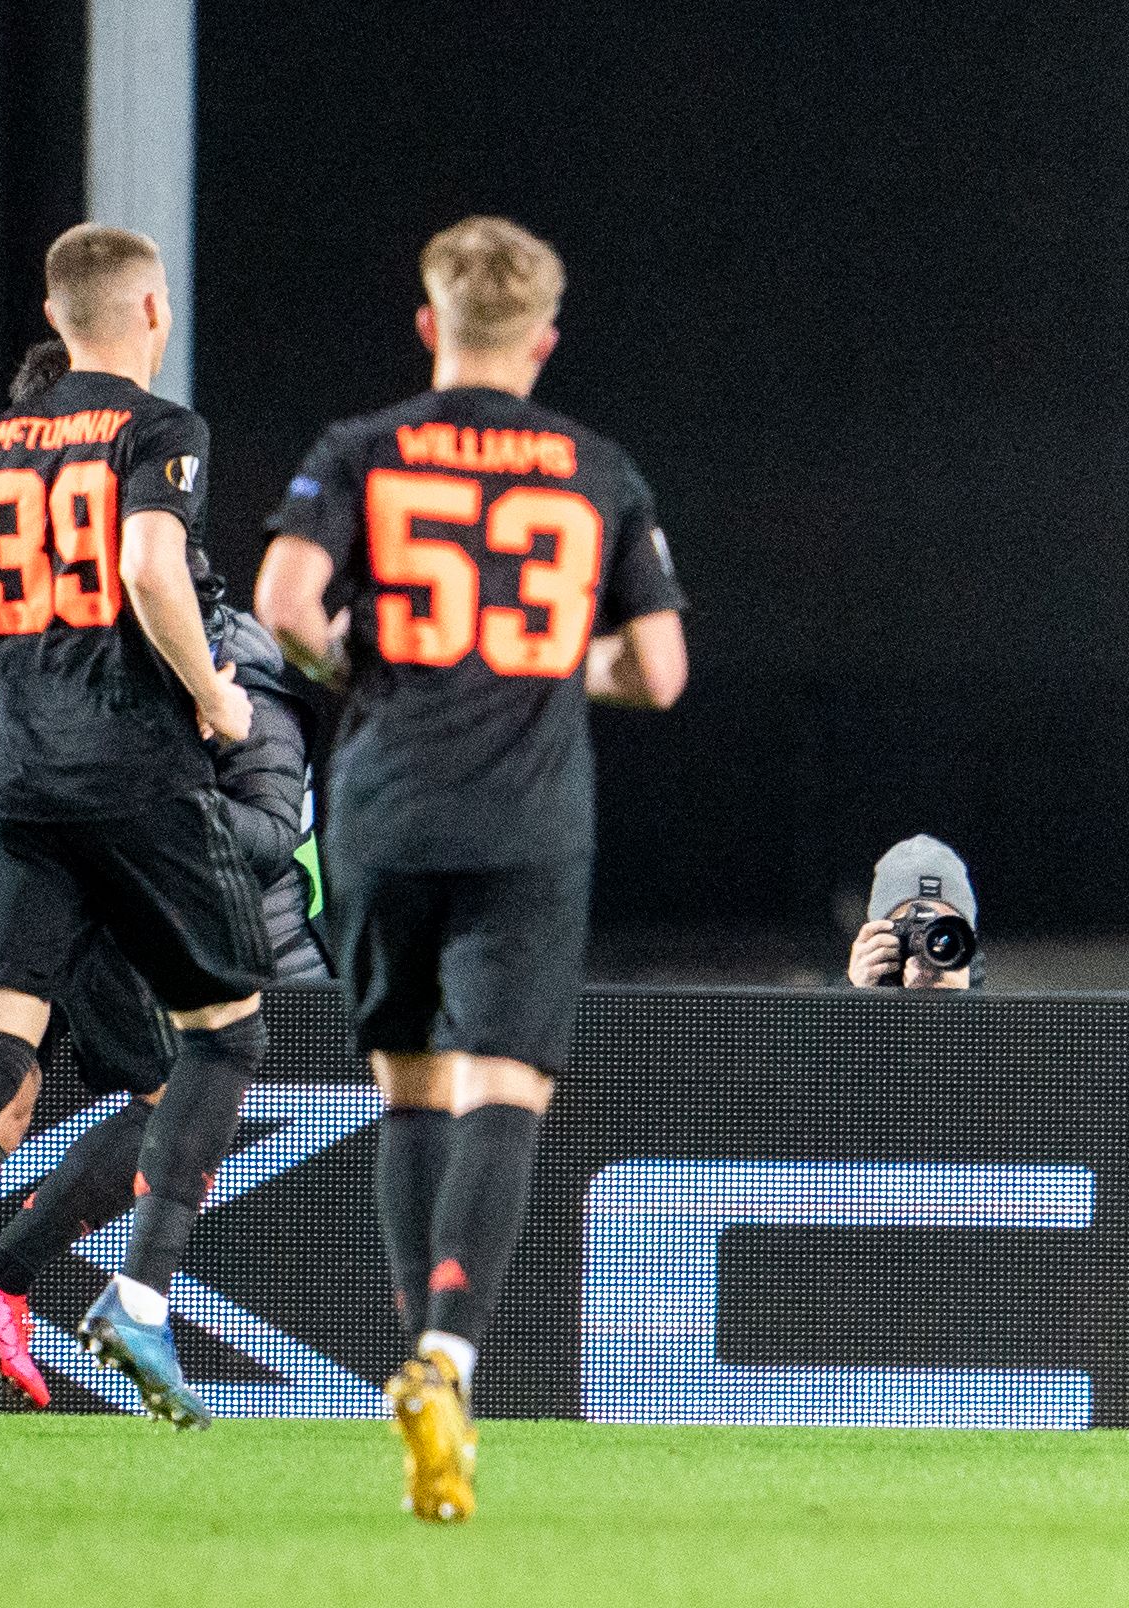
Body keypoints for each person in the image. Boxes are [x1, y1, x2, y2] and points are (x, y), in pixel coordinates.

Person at [255, 216, 688, 1522]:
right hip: (526, 817)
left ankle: (410, 1350)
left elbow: (281, 599)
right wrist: (555, 665)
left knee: (409, 1085)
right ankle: (448, 1357)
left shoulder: (363, 447)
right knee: (505, 1084)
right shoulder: (597, 469)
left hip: (379, 802)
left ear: (429, 323)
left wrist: (350, 668)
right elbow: (660, 671)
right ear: (543, 341)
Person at [0, 224, 275, 1433]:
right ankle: (138, 1298)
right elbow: (152, 565)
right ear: (151, 308)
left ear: (57, 316)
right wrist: (213, 696)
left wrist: (34, 616)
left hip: (16, 791)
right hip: (133, 775)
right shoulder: (161, 430)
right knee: (227, 1036)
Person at [846, 835, 981, 989]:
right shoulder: (837, 1008)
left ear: (967, 939)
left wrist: (966, 1004)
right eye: (910, 924)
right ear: (876, 936)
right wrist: (856, 999)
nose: (926, 943)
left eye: (942, 928)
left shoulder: (1005, 1011)